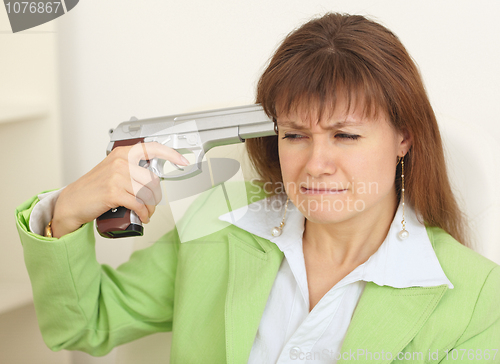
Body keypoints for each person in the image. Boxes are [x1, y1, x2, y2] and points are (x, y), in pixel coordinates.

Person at [15, 12, 499, 363]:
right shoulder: (218, 225)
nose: (316, 165)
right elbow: (83, 325)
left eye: (345, 135)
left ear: (404, 137)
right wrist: (67, 213)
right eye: (295, 135)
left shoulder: (480, 301)